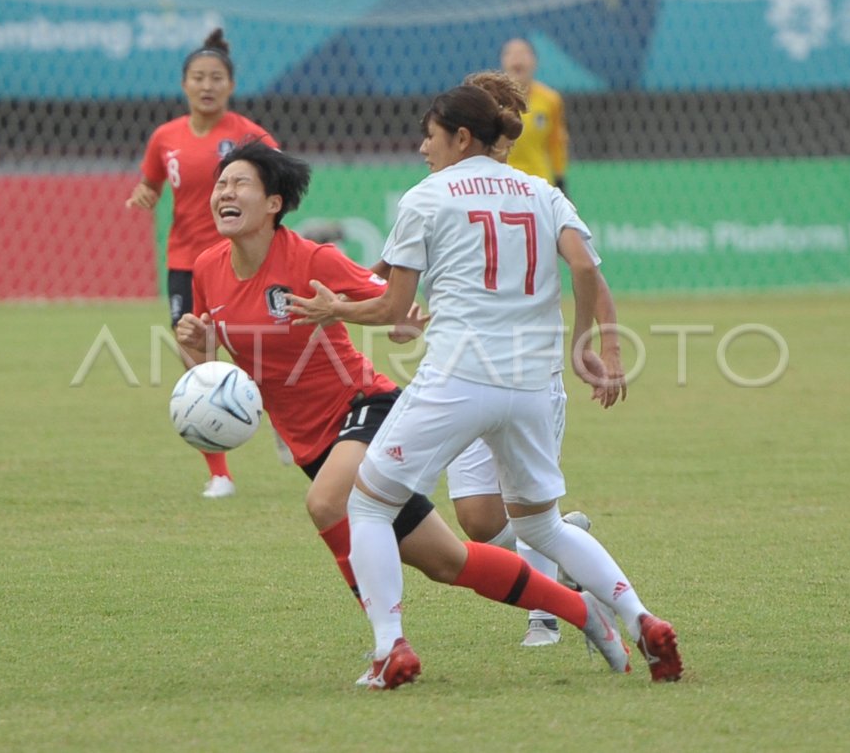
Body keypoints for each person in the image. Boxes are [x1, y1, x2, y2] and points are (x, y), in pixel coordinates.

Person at [173, 141, 634, 688]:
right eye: (220, 184)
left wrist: (407, 320)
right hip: (310, 443)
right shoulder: (207, 269)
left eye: (239, 183)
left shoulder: (311, 259)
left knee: (326, 504)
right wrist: (197, 349)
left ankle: (390, 648)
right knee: (448, 561)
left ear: (274, 202)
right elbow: (220, 376)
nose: (225, 192)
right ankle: (585, 613)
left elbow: (390, 301)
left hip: (364, 406)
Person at [287, 77, 682, 688]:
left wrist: (331, 310)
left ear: (460, 136)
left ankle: (390, 648)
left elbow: (392, 309)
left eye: (430, 134)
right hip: (531, 384)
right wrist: (589, 344)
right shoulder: (539, 190)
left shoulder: (427, 196)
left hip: (459, 377)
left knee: (366, 503)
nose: (423, 147)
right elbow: (582, 265)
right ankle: (641, 619)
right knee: (540, 525)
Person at [361, 69, 626, 649]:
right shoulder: (462, 190)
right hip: (495, 376)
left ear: (467, 133)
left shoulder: (521, 188)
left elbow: (588, 272)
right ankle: (572, 562)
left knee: (374, 502)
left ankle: (545, 613)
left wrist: (599, 345)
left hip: (481, 375)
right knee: (480, 520)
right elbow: (386, 276)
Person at [125, 27, 289, 499]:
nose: (207, 85)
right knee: (197, 360)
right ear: (184, 84)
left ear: (230, 85)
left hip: (240, 261)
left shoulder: (248, 135)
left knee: (259, 349)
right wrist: (145, 193)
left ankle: (280, 417)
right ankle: (219, 471)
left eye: (216, 77)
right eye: (198, 77)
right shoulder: (164, 137)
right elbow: (153, 183)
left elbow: (282, 181)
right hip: (187, 263)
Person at [500, 38, 570, 195]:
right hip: (502, 184)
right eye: (510, 53)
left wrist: (560, 180)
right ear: (503, 62)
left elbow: (556, 143)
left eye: (524, 53)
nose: (517, 58)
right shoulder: (493, 100)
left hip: (538, 184)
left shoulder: (550, 99)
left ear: (535, 62)